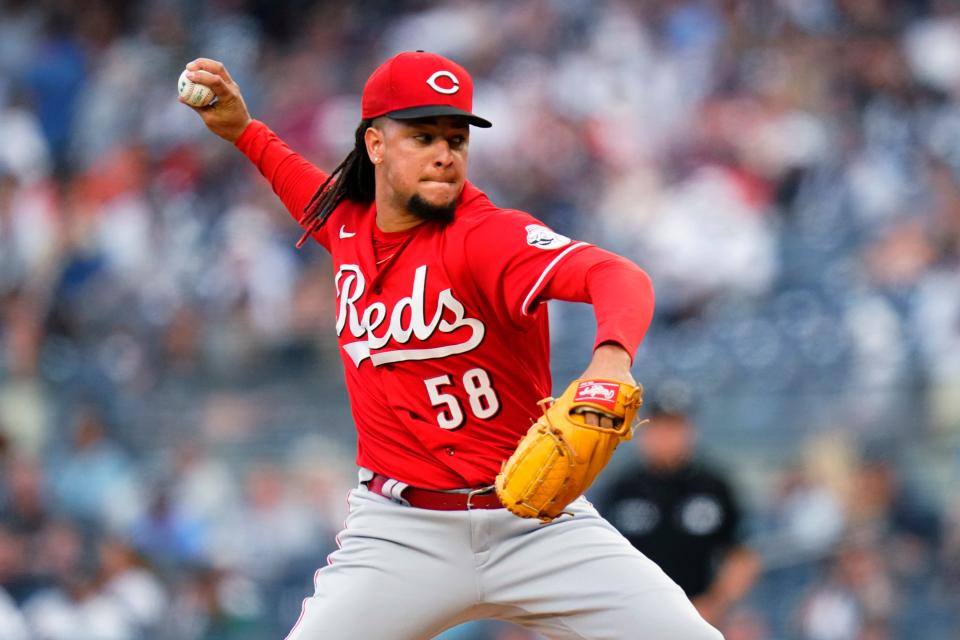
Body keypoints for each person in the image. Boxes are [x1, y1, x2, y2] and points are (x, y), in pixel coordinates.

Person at [181, 50, 722, 639]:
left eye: (456, 138)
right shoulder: (347, 224)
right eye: (422, 136)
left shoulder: (489, 237)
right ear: (376, 144)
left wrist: (610, 359)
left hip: (534, 522)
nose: (445, 153)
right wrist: (244, 131)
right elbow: (302, 187)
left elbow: (618, 276)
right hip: (398, 533)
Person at [599, 396, 760, 627]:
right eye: (659, 427)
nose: (666, 436)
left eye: (674, 427)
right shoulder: (622, 488)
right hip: (635, 616)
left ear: (690, 431)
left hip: (700, 615)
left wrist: (716, 603)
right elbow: (603, 556)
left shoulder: (714, 486)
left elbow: (742, 554)